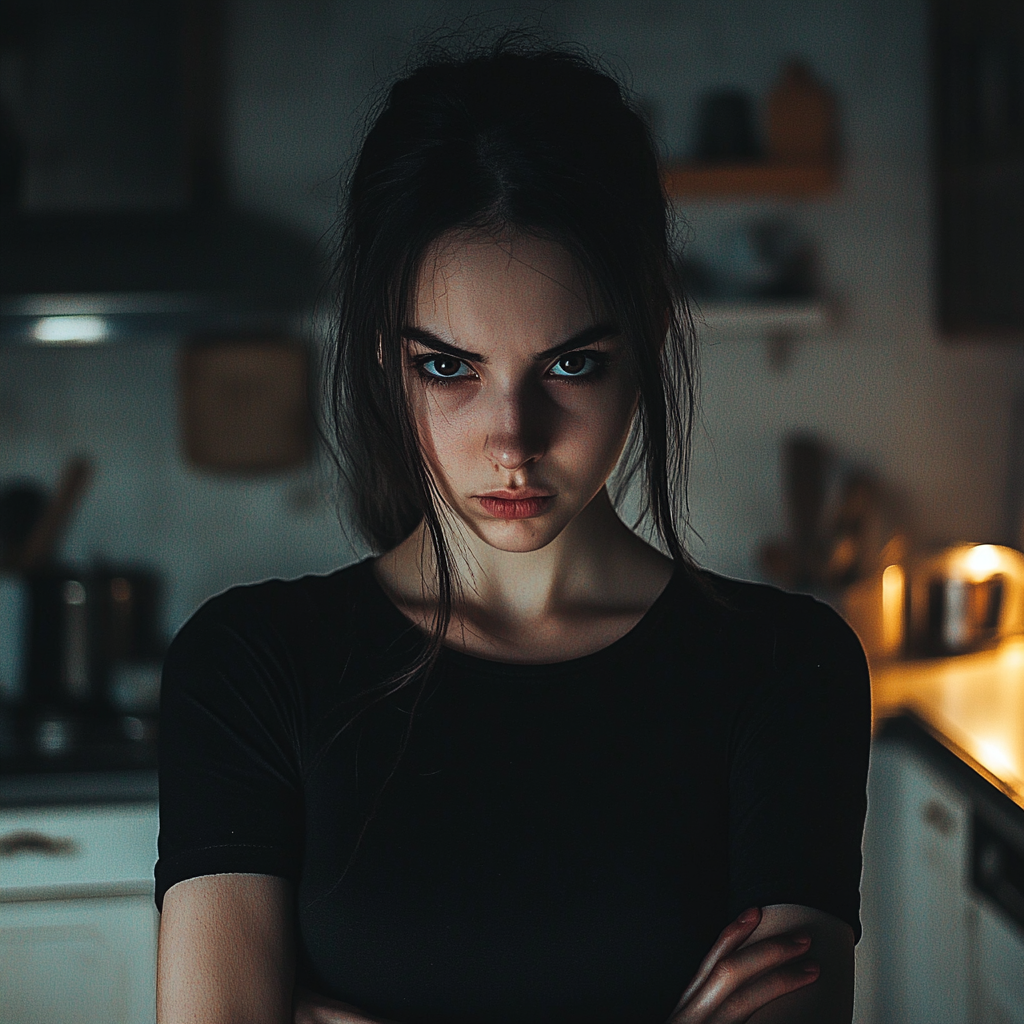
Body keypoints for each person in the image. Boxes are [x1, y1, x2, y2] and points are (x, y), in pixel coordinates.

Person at [155, 39, 870, 1024]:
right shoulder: (246, 671)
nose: (512, 443)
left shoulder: (785, 671)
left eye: (569, 366)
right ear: (382, 357)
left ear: (650, 332)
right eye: (447, 368)